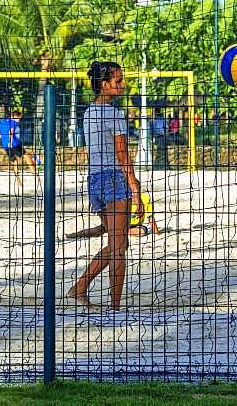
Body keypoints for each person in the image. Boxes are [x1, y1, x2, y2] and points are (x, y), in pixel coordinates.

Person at [66, 61, 143, 310]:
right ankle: (115, 308)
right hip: (112, 179)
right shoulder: (114, 114)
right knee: (119, 247)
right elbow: (122, 155)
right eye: (118, 81)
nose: (122, 85)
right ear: (104, 84)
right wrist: (135, 187)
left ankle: (79, 288)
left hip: (95, 179)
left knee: (117, 243)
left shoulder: (89, 112)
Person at [0, 108, 37, 187]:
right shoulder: (14, 123)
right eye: (19, 119)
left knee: (14, 162)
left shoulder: (2, 122)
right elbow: (11, 132)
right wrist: (10, 141)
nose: (19, 120)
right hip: (14, 144)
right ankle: (35, 175)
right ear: (16, 117)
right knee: (26, 156)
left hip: (6, 145)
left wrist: (5, 138)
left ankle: (18, 181)